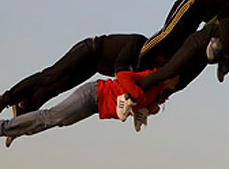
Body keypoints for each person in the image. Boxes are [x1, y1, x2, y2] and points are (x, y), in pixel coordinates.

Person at [0, 70, 175, 147]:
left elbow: (139, 107)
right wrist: (135, 94)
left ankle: (14, 128)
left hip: (95, 106)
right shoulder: (151, 77)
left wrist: (151, 109)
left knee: (53, 121)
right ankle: (5, 127)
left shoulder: (156, 95)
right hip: (94, 94)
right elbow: (122, 75)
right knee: (51, 118)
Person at [0, 33, 146, 116]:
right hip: (90, 50)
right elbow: (120, 68)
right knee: (50, 77)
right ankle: (5, 100)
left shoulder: (145, 67)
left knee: (56, 87)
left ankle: (24, 109)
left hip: (93, 66)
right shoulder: (139, 43)